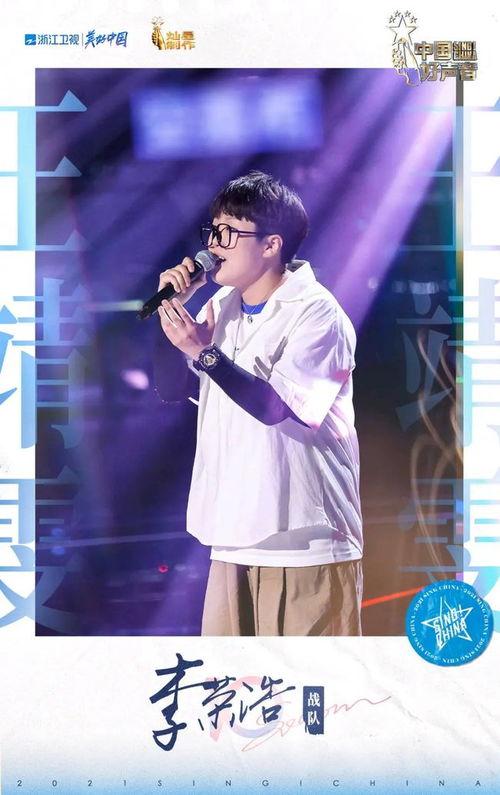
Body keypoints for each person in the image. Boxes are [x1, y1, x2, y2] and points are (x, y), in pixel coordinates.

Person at [153, 171, 363, 636]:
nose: (213, 244)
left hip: (306, 542)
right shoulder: (222, 305)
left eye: (228, 232)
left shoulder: (318, 313)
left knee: (310, 680)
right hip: (232, 537)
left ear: (271, 245)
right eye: (212, 231)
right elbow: (170, 387)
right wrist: (176, 312)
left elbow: (276, 408)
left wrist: (204, 353)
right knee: (232, 680)